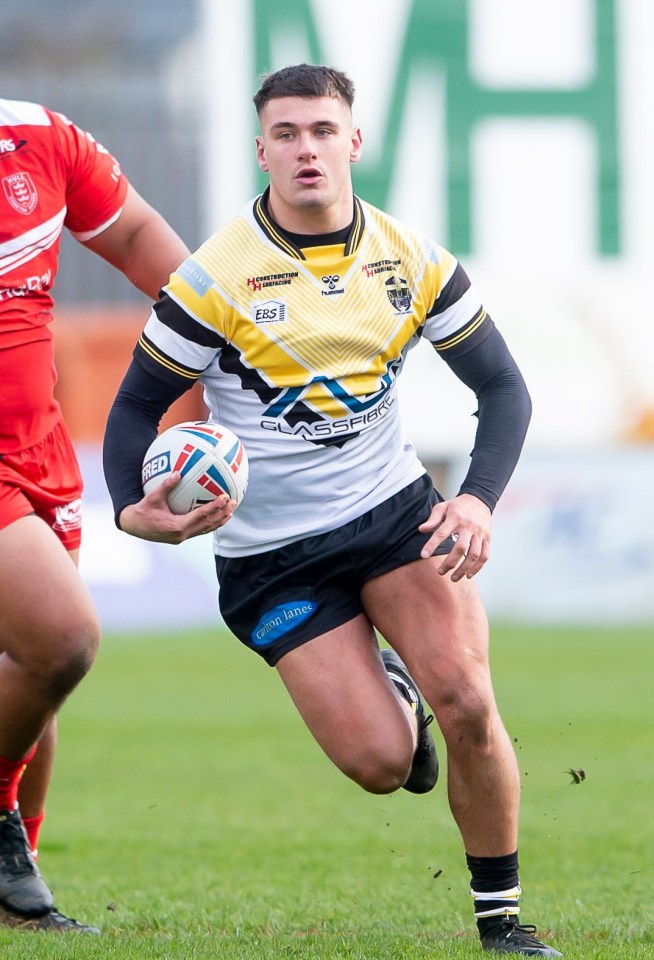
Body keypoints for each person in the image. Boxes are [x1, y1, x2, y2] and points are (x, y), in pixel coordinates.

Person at [102, 64, 562, 956]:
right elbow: (130, 409)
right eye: (286, 134)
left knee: (467, 697)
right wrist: (130, 512)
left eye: (321, 131)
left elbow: (504, 389)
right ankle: (392, 692)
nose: (305, 149)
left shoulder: (413, 260)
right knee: (383, 764)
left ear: (354, 140)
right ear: (262, 148)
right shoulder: (214, 279)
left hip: (394, 514)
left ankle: (502, 922)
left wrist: (476, 498)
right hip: (274, 555)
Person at [0, 96, 190, 933]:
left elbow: (138, 238)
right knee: (61, 638)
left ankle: (18, 883)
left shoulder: (41, 137)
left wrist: (218, 338)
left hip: (40, 455)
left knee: (31, 674)